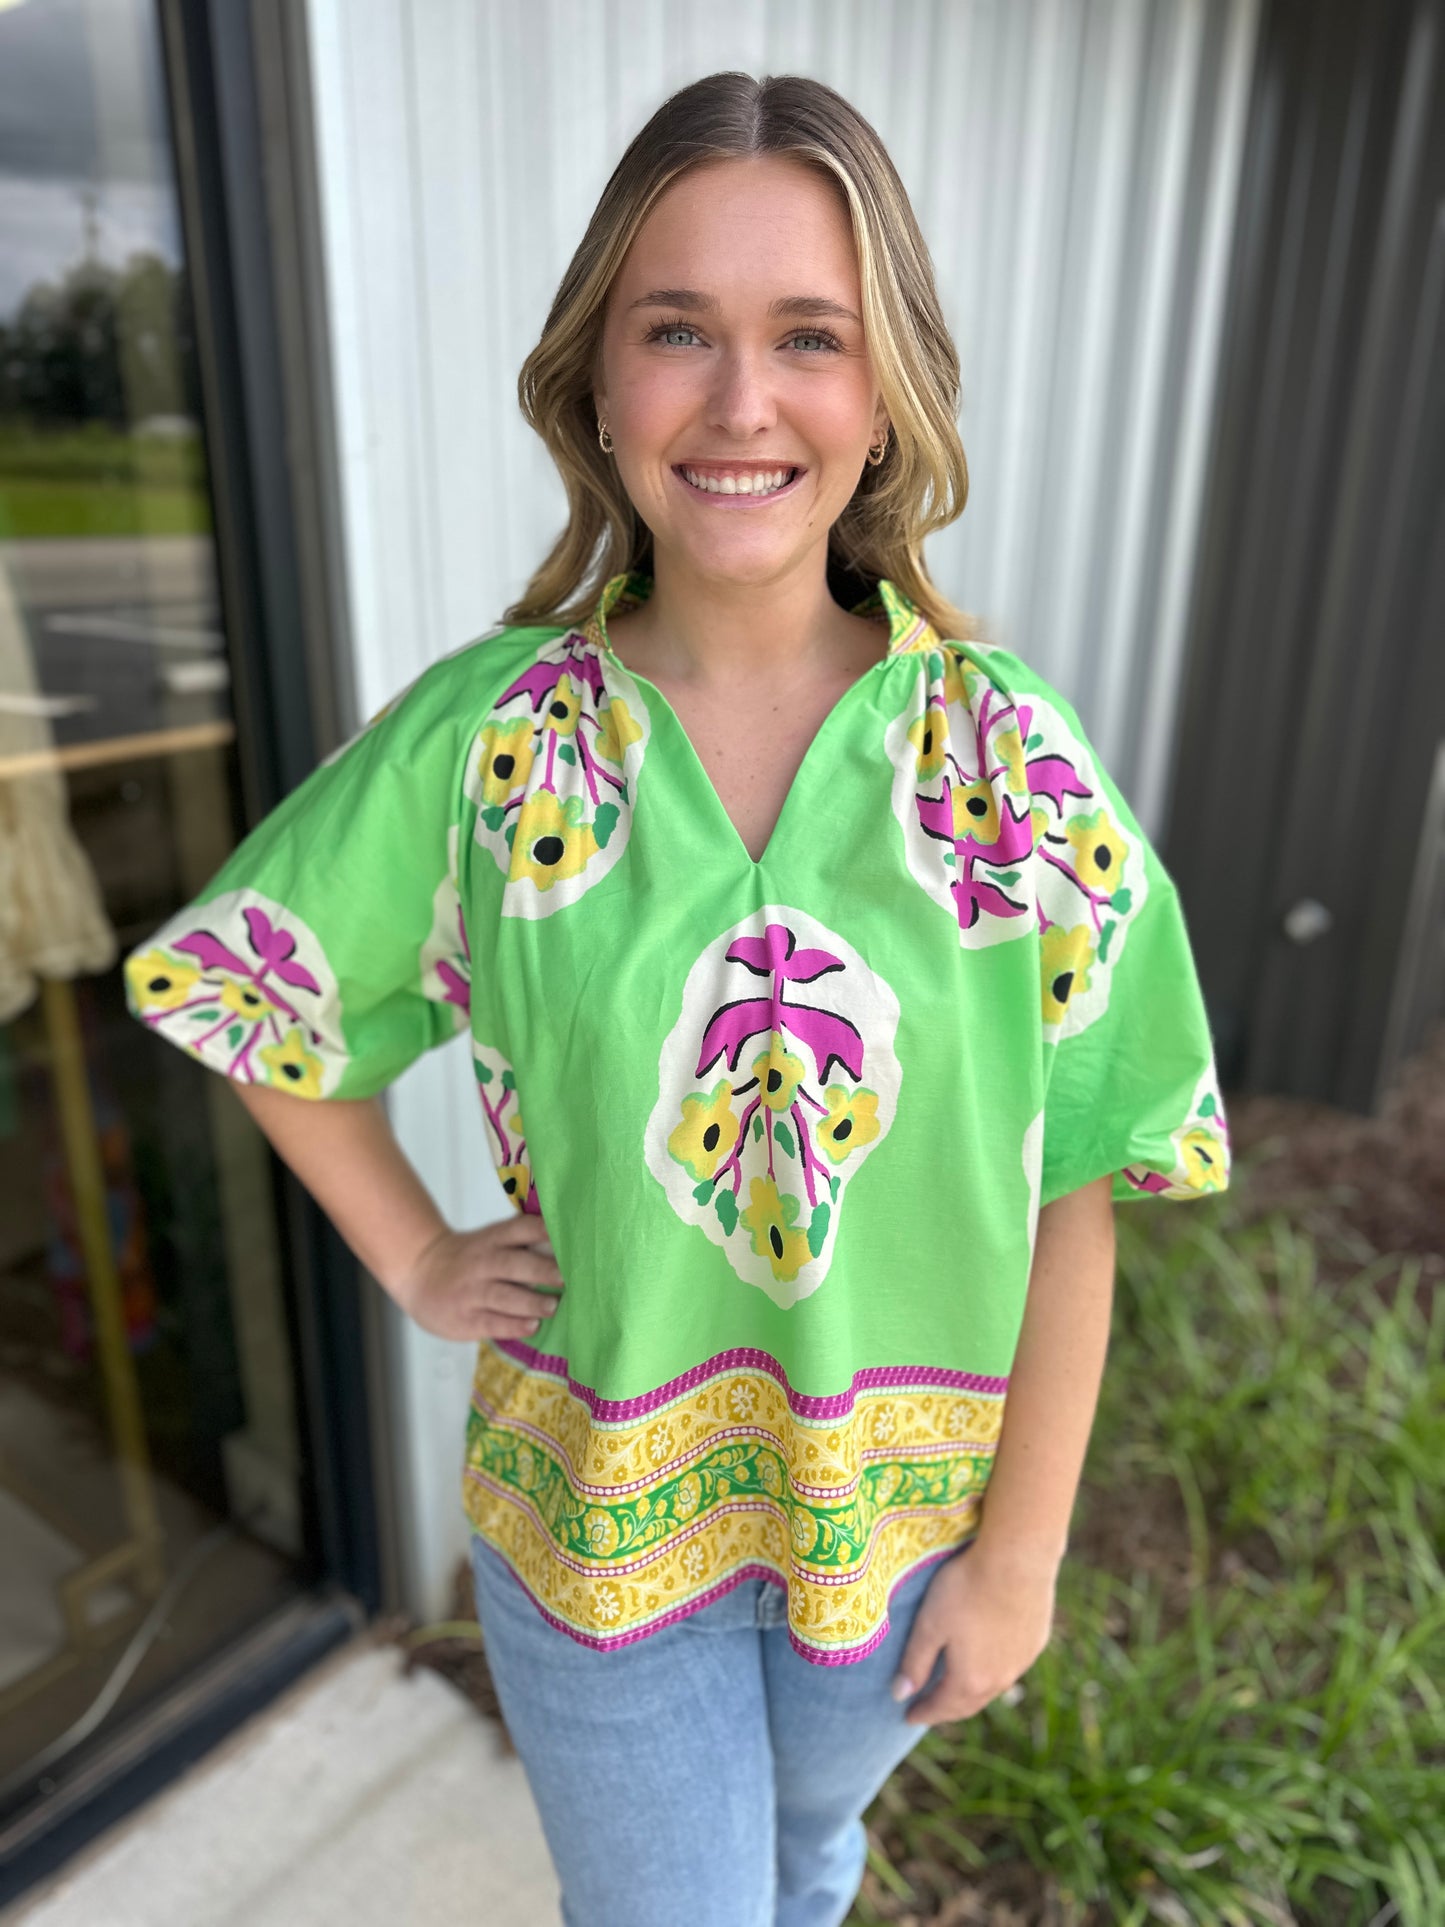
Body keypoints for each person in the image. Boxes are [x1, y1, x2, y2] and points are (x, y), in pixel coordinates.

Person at [123, 69, 1230, 1927]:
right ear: (598, 384)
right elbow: (255, 986)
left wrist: (1018, 1561)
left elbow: (1079, 1179)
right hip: (596, 1542)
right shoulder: (493, 742)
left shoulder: (1004, 763)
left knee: (801, 1862)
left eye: (809, 335)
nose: (740, 402)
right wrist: (409, 1255)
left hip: (891, 1541)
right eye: (676, 333)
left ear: (884, 396)